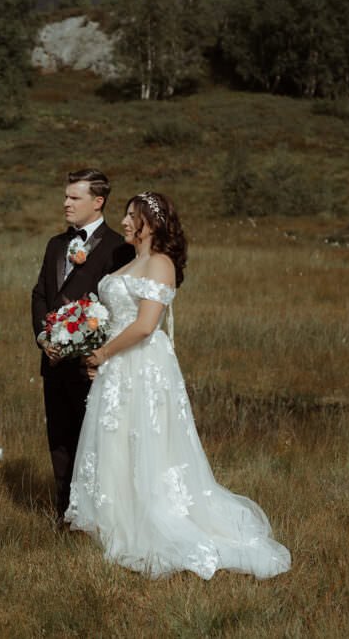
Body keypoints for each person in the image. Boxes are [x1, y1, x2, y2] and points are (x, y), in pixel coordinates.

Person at [64, 191, 291, 579]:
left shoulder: (161, 264)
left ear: (151, 223)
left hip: (140, 367)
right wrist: (92, 349)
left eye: (132, 216)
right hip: (117, 369)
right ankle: (116, 521)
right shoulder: (131, 263)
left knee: (146, 444)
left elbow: (145, 325)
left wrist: (103, 354)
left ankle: (152, 523)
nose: (124, 222)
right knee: (115, 442)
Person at [31, 169, 135, 523]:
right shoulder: (54, 245)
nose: (66, 204)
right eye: (65, 197)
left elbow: (122, 306)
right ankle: (65, 515)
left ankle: (99, 516)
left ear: (98, 201)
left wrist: (94, 349)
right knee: (59, 440)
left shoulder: (118, 248)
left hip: (93, 365)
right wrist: (45, 339)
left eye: (74, 198)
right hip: (54, 361)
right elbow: (41, 294)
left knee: (95, 444)